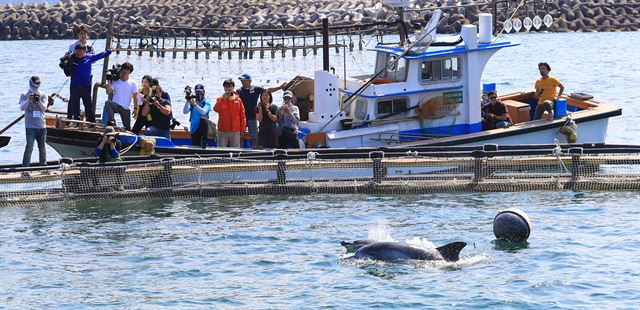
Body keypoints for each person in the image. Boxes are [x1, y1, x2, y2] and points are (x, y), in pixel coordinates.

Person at [237, 73, 286, 148]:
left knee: (254, 136)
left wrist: (280, 87)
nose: (242, 82)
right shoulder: (239, 90)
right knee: (240, 136)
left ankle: (255, 150)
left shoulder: (256, 89)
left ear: (250, 81)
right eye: (241, 80)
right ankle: (240, 151)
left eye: (244, 80)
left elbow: (268, 91)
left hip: (252, 117)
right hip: (241, 117)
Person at [68, 44, 111, 123]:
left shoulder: (89, 58)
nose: (78, 53)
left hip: (85, 87)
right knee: (75, 106)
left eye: (80, 51)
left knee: (88, 105)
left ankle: (92, 122)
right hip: (74, 87)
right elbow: (64, 67)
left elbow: (99, 55)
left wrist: (109, 51)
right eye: (76, 51)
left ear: (84, 52)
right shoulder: (72, 59)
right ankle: (76, 122)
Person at [20, 76, 48, 167]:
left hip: (41, 126)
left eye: (39, 83)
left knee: (42, 148)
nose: (37, 85)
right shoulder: (24, 94)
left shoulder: (43, 94)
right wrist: (29, 100)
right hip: (30, 126)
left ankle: (43, 166)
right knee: (29, 147)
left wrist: (38, 100)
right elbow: (22, 108)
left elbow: (44, 108)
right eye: (36, 83)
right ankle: (25, 168)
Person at [103, 62, 137, 130]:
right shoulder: (115, 81)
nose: (125, 71)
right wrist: (109, 81)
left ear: (130, 72)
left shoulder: (133, 83)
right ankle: (112, 121)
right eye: (124, 69)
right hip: (115, 104)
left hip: (125, 107)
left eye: (127, 70)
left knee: (127, 128)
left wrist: (135, 108)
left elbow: (135, 97)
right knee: (107, 103)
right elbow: (108, 92)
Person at [214, 78, 246, 148]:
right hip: (223, 130)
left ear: (233, 88)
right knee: (221, 151)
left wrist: (242, 129)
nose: (227, 88)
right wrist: (223, 99)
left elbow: (242, 115)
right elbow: (216, 109)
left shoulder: (238, 100)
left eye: (229, 86)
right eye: (226, 86)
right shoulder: (220, 99)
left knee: (235, 151)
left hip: (235, 130)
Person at [183, 84, 212, 148]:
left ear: (203, 92)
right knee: (195, 145)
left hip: (203, 129)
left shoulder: (206, 102)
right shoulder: (193, 101)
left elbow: (203, 112)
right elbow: (185, 111)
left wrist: (195, 104)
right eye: (197, 92)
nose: (198, 94)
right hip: (194, 128)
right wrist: (188, 101)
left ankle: (204, 142)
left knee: (203, 119)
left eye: (200, 92)